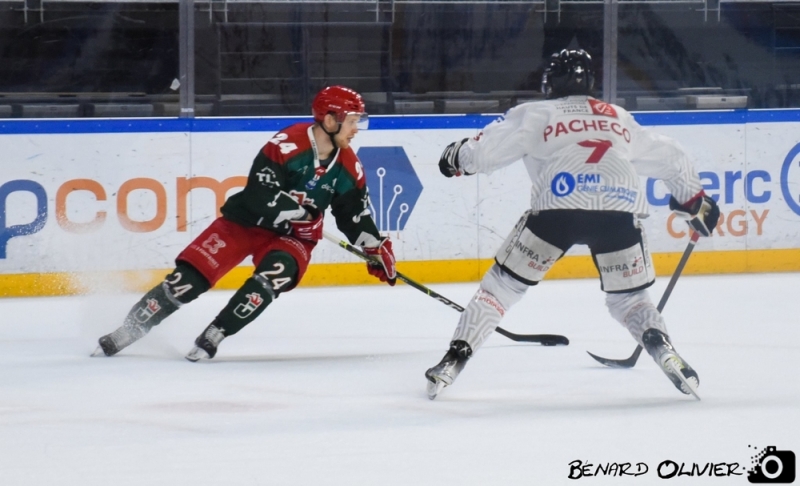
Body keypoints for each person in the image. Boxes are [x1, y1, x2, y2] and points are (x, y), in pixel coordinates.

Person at [426, 49, 720, 400]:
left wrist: (454, 158)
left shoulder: (537, 112)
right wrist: (694, 201)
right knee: (631, 300)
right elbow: (673, 156)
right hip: (619, 208)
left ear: (551, 83)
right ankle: (663, 349)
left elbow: (486, 153)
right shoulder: (618, 117)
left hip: (557, 209)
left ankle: (454, 358)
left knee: (500, 289)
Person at [93, 85, 397, 361]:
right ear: (330, 120)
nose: (357, 129)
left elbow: (353, 215)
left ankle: (216, 333)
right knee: (187, 281)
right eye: (353, 120)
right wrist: (302, 214)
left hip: (293, 238)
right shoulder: (286, 145)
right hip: (244, 223)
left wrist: (373, 245)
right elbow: (258, 194)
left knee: (274, 276)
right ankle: (130, 330)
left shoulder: (349, 167)